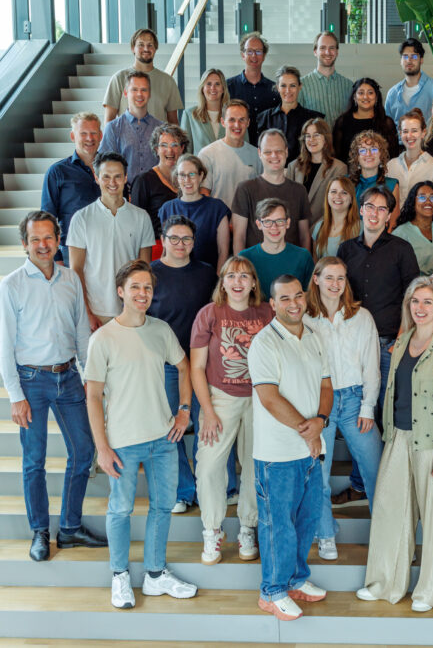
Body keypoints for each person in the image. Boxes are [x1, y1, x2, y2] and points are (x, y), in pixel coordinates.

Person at [0, 210, 106, 562]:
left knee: (84, 451)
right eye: (35, 239)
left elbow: (82, 332)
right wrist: (15, 396)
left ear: (58, 241)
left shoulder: (71, 279)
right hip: (31, 382)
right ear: (24, 244)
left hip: (69, 377)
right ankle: (40, 530)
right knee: (34, 461)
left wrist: (89, 376)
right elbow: (3, 345)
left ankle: (69, 527)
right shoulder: (10, 286)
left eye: (48, 238)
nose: (43, 245)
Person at [85, 259, 197, 610]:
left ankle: (155, 575)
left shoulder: (161, 330)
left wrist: (184, 410)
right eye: (135, 287)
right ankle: (119, 576)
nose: (142, 293)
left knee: (162, 507)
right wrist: (102, 448)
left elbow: (184, 366)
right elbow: (92, 396)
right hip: (122, 442)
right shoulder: (103, 338)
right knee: (120, 510)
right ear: (121, 291)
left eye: (147, 287)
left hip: (163, 439)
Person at [356, 277, 433, 612]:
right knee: (389, 512)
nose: (420, 308)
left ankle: (429, 593)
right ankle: (385, 584)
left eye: (427, 302)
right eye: (415, 301)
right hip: (399, 437)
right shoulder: (403, 340)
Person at [247, 275, 333, 621]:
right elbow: (269, 398)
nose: (294, 303)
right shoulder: (264, 343)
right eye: (285, 298)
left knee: (306, 519)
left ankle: (295, 579)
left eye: (298, 296)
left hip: (310, 450)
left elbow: (326, 386)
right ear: (272, 304)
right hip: (277, 454)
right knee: (278, 524)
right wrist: (308, 432)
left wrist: (321, 421)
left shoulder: (314, 336)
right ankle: (272, 591)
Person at [190, 255, 274, 565]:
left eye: (244, 276)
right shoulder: (209, 314)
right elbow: (196, 367)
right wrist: (208, 411)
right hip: (220, 398)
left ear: (253, 283)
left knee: (254, 465)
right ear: (223, 283)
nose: (237, 282)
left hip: (259, 399)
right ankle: (212, 530)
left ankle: (248, 527)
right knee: (209, 466)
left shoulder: (267, 313)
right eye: (231, 276)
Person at [304, 257, 382, 561]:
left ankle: (386, 536)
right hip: (319, 402)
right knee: (318, 475)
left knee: (376, 470)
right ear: (316, 279)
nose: (335, 284)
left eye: (341, 278)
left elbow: (371, 365)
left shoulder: (361, 317)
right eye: (329, 278)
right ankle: (325, 534)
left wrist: (368, 406)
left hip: (354, 400)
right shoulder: (306, 319)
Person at [337, 185, 420, 453]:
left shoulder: (402, 249)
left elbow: (413, 297)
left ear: (389, 216)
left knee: (387, 409)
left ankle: (390, 469)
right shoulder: (345, 250)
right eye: (370, 207)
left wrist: (401, 339)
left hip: (389, 343)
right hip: (354, 344)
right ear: (361, 210)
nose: (375, 213)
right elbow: (338, 296)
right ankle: (363, 473)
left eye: (382, 208)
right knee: (359, 412)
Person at [147, 215, 217, 514]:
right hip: (167, 364)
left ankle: (213, 487)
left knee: (209, 424)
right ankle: (183, 490)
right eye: (174, 238)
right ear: (163, 239)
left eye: (186, 239)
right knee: (171, 427)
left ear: (194, 241)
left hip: (204, 363)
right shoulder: (150, 274)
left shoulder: (206, 273)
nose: (180, 244)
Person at [67, 152, 155, 330]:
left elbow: (145, 268)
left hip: (130, 309)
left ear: (125, 178)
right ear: (97, 178)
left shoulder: (141, 217)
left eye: (117, 176)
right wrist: (87, 312)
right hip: (95, 311)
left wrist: (139, 309)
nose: (112, 182)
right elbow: (76, 270)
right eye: (106, 177)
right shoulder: (81, 218)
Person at [231, 129, 311, 253]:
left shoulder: (300, 191)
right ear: (259, 153)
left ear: (286, 152)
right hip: (254, 264)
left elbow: (304, 237)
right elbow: (239, 238)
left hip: (291, 264)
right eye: (268, 152)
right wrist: (241, 265)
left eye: (279, 151)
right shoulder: (245, 189)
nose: (274, 156)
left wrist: (305, 263)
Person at [41, 112, 102, 266]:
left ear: (101, 135)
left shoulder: (112, 169)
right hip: (70, 251)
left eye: (94, 133)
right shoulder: (57, 172)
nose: (89, 138)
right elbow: (47, 218)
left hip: (107, 247)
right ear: (73, 136)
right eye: (83, 133)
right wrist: (56, 257)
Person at [157, 154, 231, 274]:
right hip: (174, 276)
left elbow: (223, 251)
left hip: (208, 276)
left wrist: (219, 280)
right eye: (182, 175)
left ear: (201, 176)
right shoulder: (167, 208)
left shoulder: (217, 208)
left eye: (192, 174)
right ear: (177, 178)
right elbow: (165, 251)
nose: (187, 180)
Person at [102, 28, 181, 124]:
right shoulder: (119, 78)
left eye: (150, 45)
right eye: (141, 45)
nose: (146, 49)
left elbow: (173, 122)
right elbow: (109, 121)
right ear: (133, 48)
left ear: (155, 48)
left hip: (158, 134)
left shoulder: (168, 81)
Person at [239, 198, 314, 300]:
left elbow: (311, 295)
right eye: (268, 221)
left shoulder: (303, 256)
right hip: (255, 310)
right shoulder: (245, 258)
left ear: (287, 223)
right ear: (259, 224)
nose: (274, 227)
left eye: (279, 221)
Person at [98, 70, 164, 180]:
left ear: (149, 94)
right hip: (123, 189)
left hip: (156, 189)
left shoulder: (161, 128)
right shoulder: (113, 128)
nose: (139, 94)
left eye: (144, 90)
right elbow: (105, 165)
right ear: (125, 93)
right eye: (134, 89)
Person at [129, 124, 187, 244]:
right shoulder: (143, 181)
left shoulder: (187, 180)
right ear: (156, 149)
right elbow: (134, 224)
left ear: (182, 148)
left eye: (174, 145)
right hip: (155, 246)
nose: (170, 150)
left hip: (184, 244)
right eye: (164, 145)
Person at [199, 99, 262, 207]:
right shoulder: (207, 154)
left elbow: (261, 192)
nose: (237, 125)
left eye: (242, 120)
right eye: (232, 120)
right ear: (223, 122)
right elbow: (203, 193)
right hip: (219, 217)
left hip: (249, 217)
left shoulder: (257, 155)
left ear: (248, 123)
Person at [287, 118, 348, 225]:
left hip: (322, 228)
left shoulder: (339, 168)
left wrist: (315, 230)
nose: (311, 139)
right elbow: (287, 201)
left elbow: (337, 206)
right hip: (295, 227)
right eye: (308, 136)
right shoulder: (293, 166)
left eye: (316, 135)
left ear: (326, 139)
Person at [256, 66, 323, 162]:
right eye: (283, 85)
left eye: (292, 85)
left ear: (300, 87)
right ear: (277, 87)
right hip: (272, 168)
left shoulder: (313, 119)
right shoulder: (263, 118)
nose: (288, 90)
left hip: (303, 169)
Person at [227, 31, 280, 146]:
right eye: (249, 51)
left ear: (264, 56)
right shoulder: (228, 87)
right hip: (237, 148)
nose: (254, 56)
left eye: (258, 51)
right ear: (243, 55)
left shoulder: (275, 90)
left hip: (267, 149)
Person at [332, 77, 399, 162]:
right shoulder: (342, 122)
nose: (365, 97)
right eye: (361, 93)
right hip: (349, 170)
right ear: (354, 97)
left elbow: (393, 155)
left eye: (370, 93)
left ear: (376, 97)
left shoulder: (386, 122)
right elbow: (338, 156)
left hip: (381, 169)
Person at [384, 37, 433, 123]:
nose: (409, 60)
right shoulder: (392, 94)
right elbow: (387, 126)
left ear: (421, 60)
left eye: (414, 56)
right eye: (405, 56)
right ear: (401, 61)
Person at [387, 109, 433, 198]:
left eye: (414, 131)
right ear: (400, 133)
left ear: (423, 133)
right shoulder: (390, 166)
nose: (409, 135)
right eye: (405, 131)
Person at [392, 181, 433, 274]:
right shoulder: (400, 234)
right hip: (412, 283)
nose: (428, 202)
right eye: (422, 197)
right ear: (413, 202)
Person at [300, 31, 354, 125]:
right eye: (322, 48)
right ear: (315, 52)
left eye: (331, 48)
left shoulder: (349, 86)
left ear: (337, 52)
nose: (327, 52)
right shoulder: (302, 85)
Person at [347, 131, 400, 216]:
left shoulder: (392, 185)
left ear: (381, 155)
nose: (368, 154)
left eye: (374, 149)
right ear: (356, 157)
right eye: (363, 150)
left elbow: (393, 222)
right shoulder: (345, 183)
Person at [180, 68, 227, 154]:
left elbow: (243, 148)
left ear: (223, 88)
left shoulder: (232, 114)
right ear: (202, 88)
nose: (213, 88)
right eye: (208, 84)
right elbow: (185, 153)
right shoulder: (189, 115)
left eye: (217, 84)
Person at [312, 176, 360, 259]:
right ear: (327, 196)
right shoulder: (319, 227)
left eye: (344, 192)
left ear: (351, 199)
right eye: (333, 191)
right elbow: (316, 261)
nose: (338, 196)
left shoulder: (360, 228)